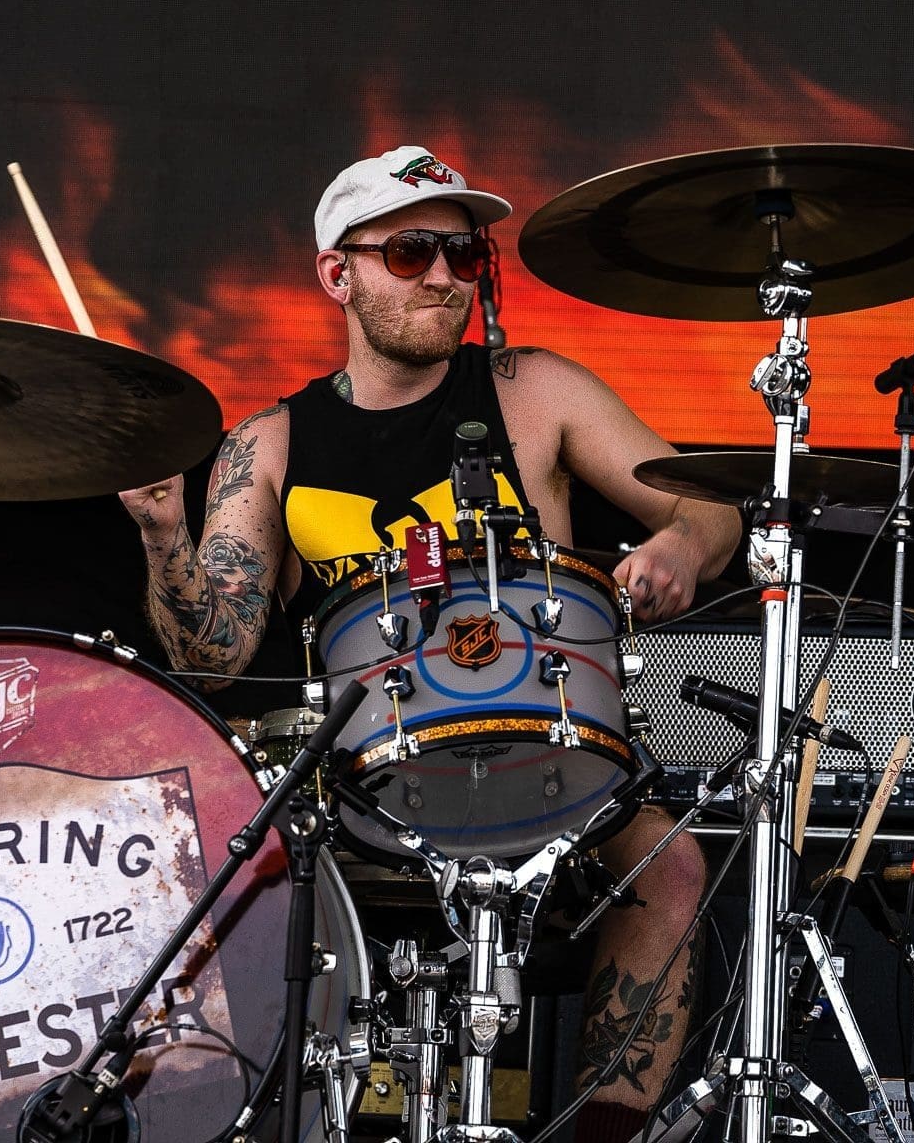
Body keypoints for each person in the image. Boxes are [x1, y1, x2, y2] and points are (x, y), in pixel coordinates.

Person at [121, 145, 742, 1136]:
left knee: (669, 864)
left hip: (550, 759)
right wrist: (164, 534)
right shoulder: (269, 444)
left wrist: (678, 541)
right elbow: (213, 658)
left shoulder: (535, 389)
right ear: (339, 273)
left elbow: (710, 506)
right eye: (412, 253)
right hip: (359, 784)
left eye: (463, 253)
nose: (446, 276)